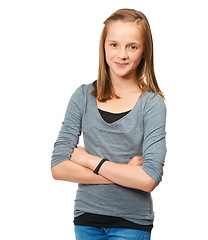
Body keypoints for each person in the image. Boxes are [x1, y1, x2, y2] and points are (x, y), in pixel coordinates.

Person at [51, 8, 167, 240]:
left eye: (132, 46)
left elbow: (148, 179)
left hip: (131, 223)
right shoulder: (83, 96)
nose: (122, 55)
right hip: (86, 219)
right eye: (114, 44)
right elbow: (58, 167)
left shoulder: (152, 103)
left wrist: (88, 160)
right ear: (104, 47)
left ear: (145, 51)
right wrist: (124, 172)